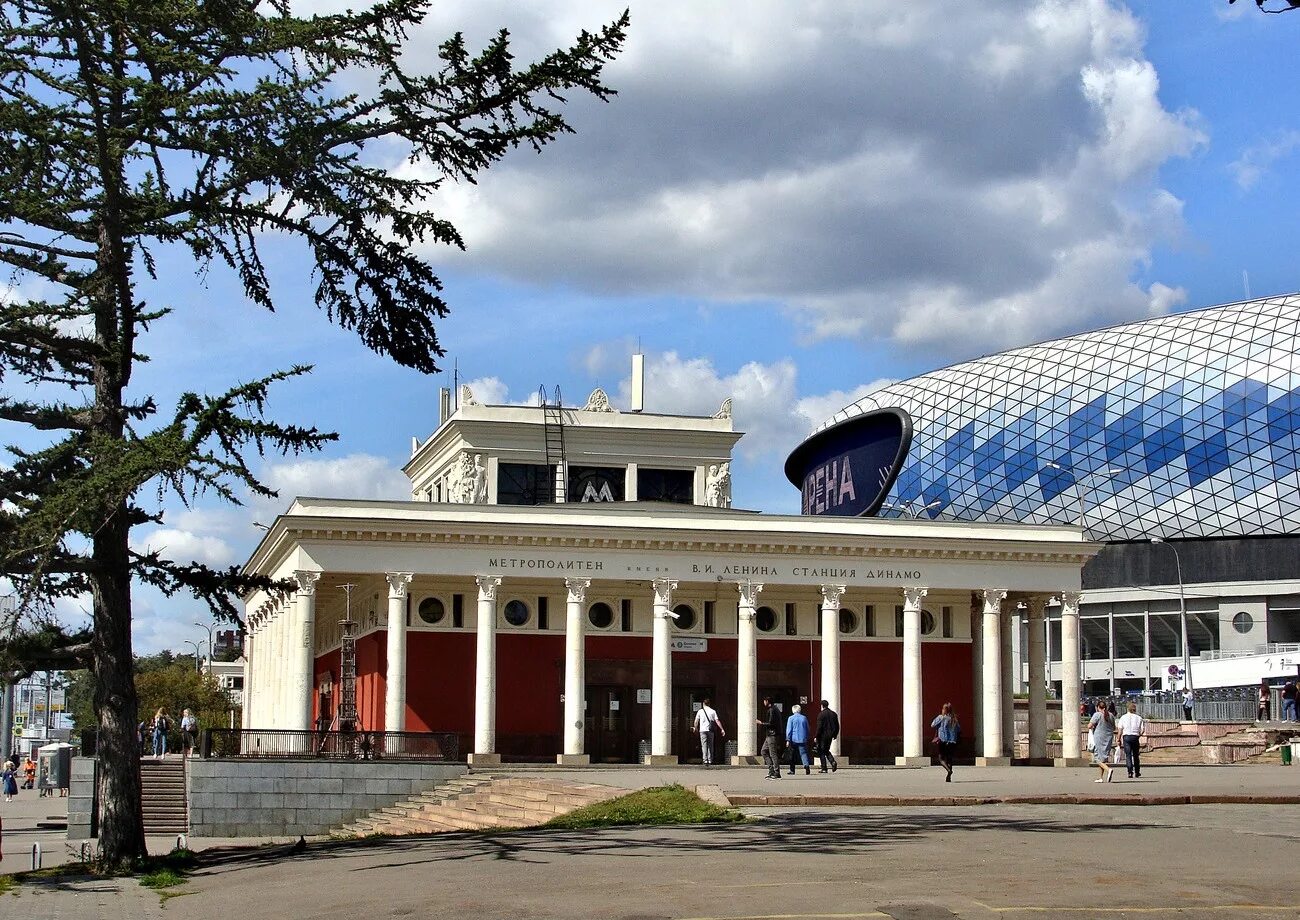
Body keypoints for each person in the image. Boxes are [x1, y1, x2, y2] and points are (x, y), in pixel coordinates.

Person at [930, 702, 960, 782]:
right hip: (952, 741)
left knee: (941, 758)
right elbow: (958, 729)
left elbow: (932, 725)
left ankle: (948, 771)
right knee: (949, 758)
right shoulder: (954, 719)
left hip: (942, 741)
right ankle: (949, 777)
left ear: (945, 710)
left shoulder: (941, 717)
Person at [1088, 700, 1116, 783]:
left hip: (1099, 737)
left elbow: (1089, 725)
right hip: (1108, 737)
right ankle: (1100, 777)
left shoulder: (1097, 715)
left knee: (1097, 758)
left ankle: (1108, 769)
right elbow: (1114, 727)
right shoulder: (1111, 715)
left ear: (1097, 707)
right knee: (1102, 758)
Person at [1116, 701, 1146, 779]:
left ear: (1127, 709)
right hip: (1135, 737)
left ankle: (1130, 771)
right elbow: (1142, 730)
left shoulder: (1123, 717)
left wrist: (1118, 739)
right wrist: (1138, 734)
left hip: (1126, 737)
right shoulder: (1139, 718)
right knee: (1136, 755)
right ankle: (1137, 771)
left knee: (1128, 755)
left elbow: (1120, 729)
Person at [756, 695, 783, 780]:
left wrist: (761, 723)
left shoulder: (772, 710)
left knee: (773, 753)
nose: (764, 702)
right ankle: (771, 770)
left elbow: (771, 723)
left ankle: (776, 772)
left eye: (764, 701)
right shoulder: (774, 709)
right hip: (769, 735)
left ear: (767, 701)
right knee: (763, 751)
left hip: (772, 735)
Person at [692, 698, 724, 765]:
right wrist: (722, 729)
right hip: (710, 730)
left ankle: (705, 759)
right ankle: (710, 759)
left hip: (702, 730)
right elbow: (717, 721)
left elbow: (696, 721)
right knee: (710, 745)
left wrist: (695, 728)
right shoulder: (713, 711)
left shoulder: (700, 711)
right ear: (709, 704)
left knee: (704, 745)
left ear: (703, 704)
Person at [785, 703, 811, 775]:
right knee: (803, 753)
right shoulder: (804, 718)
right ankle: (806, 765)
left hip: (793, 739)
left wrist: (788, 739)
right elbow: (807, 728)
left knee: (792, 755)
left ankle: (792, 770)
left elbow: (789, 730)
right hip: (802, 739)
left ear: (793, 710)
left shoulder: (791, 718)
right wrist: (807, 736)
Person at [815, 700, 839, 773]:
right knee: (826, 750)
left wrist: (816, 736)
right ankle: (832, 762)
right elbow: (837, 726)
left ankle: (824, 768)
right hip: (830, 736)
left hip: (822, 736)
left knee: (821, 751)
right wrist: (835, 734)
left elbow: (819, 727)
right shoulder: (834, 714)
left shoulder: (821, 715)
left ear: (822, 706)